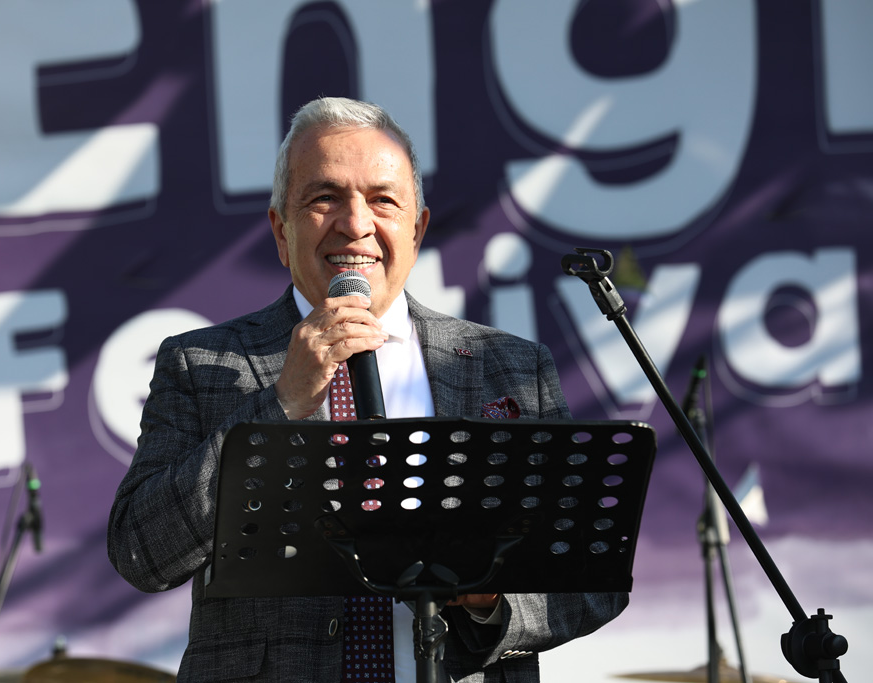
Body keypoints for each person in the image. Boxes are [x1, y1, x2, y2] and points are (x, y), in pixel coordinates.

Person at [107, 96, 627, 682]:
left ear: (417, 229)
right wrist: (281, 405)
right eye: (324, 198)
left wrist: (491, 598)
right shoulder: (201, 364)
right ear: (281, 231)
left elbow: (591, 579)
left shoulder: (510, 367)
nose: (356, 225)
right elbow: (140, 552)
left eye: (383, 200)